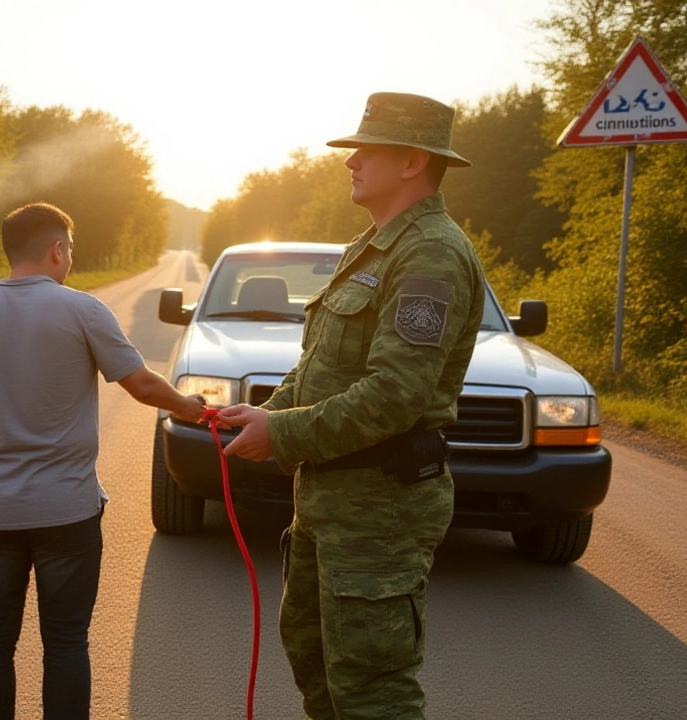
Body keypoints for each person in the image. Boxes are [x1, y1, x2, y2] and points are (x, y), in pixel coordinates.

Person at [217, 92, 486, 719]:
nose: (350, 161)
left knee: (372, 693)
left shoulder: (431, 253)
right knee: (318, 670)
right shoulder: (373, 246)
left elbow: (395, 396)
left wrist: (282, 434)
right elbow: (322, 368)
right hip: (329, 500)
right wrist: (268, 413)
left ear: (413, 161)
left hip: (379, 510)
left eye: (367, 149)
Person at [0, 202, 205, 720]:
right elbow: (142, 385)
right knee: (65, 641)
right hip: (66, 511)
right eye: (70, 249)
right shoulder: (83, 310)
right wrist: (190, 407)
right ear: (57, 250)